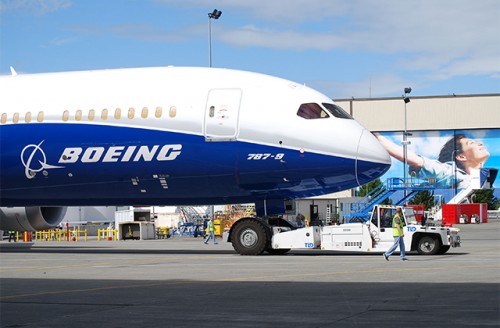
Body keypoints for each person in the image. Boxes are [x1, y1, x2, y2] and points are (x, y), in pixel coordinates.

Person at [374, 133, 490, 189]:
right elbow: (417, 161)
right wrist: (380, 139)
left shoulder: (484, 176)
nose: (480, 143)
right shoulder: (451, 173)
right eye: (472, 143)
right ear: (461, 156)